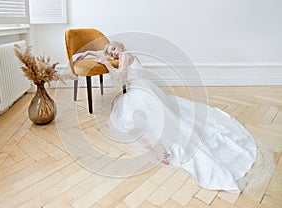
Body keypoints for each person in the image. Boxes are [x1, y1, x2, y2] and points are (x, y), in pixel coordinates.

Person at [74, 42, 274, 193]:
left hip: (141, 92)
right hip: (142, 89)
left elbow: (120, 78)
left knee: (132, 115)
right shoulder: (117, 55)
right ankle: (158, 144)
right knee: (123, 109)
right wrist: (86, 53)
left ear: (119, 46)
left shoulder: (125, 55)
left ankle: (160, 147)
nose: (112, 54)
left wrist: (107, 65)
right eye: (110, 53)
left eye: (113, 49)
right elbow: (101, 54)